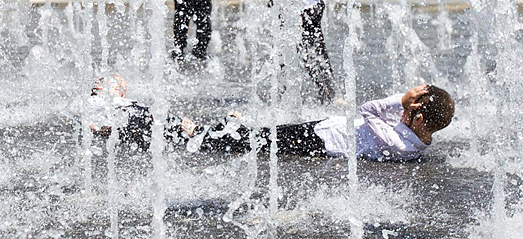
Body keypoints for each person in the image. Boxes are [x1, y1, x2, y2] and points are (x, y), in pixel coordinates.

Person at [90, 81, 454, 162]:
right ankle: (233, 127)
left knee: (208, 141)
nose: (404, 108)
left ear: (418, 115)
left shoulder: (400, 142)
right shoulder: (414, 139)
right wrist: (409, 109)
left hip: (313, 142)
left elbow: (369, 110)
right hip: (315, 134)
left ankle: (123, 114)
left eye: (411, 107)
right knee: (234, 135)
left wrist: (398, 100)